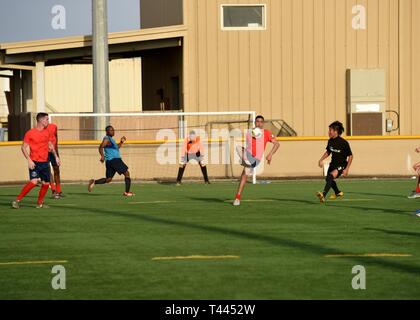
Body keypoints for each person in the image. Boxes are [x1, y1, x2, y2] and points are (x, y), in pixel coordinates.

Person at [12, 113, 60, 209]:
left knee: (46, 183)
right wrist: (29, 160)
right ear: (41, 120)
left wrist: (56, 156)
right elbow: (23, 148)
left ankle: (39, 203)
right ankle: (17, 200)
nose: (48, 121)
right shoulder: (30, 133)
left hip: (45, 162)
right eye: (46, 119)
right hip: (34, 162)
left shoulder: (47, 132)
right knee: (34, 181)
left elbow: (50, 145)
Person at [233, 115, 280, 206]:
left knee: (244, 173)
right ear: (255, 122)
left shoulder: (267, 133)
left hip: (255, 159)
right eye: (257, 121)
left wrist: (270, 155)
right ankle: (237, 198)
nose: (259, 123)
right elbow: (250, 146)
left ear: (263, 123)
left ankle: (246, 161)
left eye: (261, 121)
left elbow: (277, 144)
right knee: (243, 175)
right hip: (248, 156)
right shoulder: (250, 132)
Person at [88, 126, 134, 196]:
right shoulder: (107, 138)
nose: (113, 131)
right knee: (127, 173)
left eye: (113, 130)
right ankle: (127, 192)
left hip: (110, 162)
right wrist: (102, 156)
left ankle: (94, 182)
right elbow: (101, 147)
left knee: (108, 179)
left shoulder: (111, 140)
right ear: (107, 132)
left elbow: (117, 147)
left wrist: (121, 142)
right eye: (111, 130)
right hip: (115, 160)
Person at [316, 121, 353, 203]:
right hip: (333, 164)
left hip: (342, 165)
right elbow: (328, 152)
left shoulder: (344, 143)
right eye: (328, 130)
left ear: (336, 131)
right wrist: (321, 159)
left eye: (330, 130)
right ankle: (337, 192)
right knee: (328, 179)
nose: (328, 132)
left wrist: (347, 169)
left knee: (330, 177)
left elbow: (350, 156)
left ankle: (323, 195)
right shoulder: (330, 141)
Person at [46, 122, 62, 199]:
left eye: (47, 119)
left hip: (54, 152)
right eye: (46, 119)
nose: (47, 120)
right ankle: (53, 190)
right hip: (45, 152)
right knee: (48, 171)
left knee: (57, 170)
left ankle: (59, 190)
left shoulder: (53, 126)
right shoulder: (38, 129)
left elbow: (56, 138)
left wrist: (57, 151)